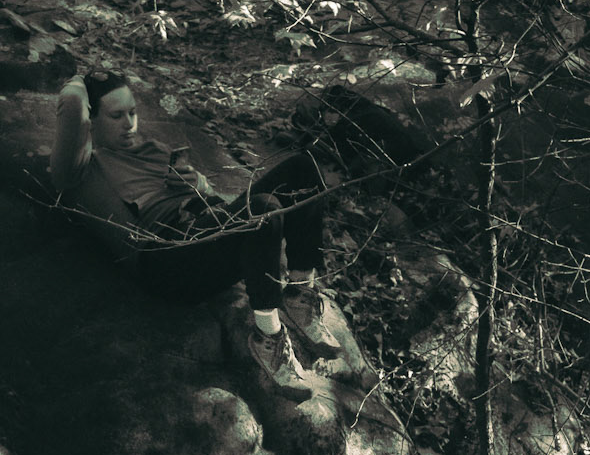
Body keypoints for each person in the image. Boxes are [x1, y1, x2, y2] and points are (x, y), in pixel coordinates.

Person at [49, 71, 369, 403]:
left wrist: (196, 185)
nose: (129, 124)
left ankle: (301, 294)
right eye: (116, 116)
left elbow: (211, 199)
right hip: (166, 260)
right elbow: (71, 103)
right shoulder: (81, 171)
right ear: (91, 121)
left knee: (303, 168)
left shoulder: (150, 149)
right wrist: (83, 78)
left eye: (132, 112)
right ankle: (268, 337)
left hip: (207, 230)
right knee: (263, 210)